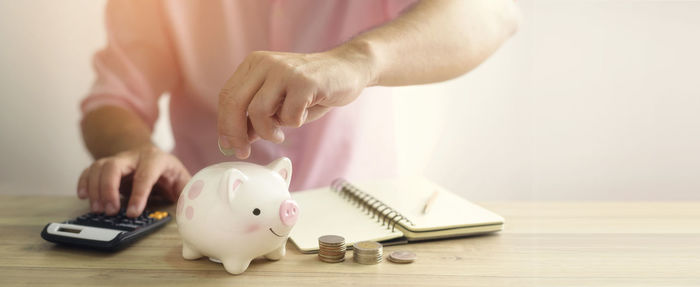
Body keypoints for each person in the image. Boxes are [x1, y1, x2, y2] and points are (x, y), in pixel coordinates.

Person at [77, 0, 520, 218]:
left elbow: (490, 12)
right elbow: (113, 98)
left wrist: (359, 58)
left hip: (366, 214)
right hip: (202, 213)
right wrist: (134, 147)